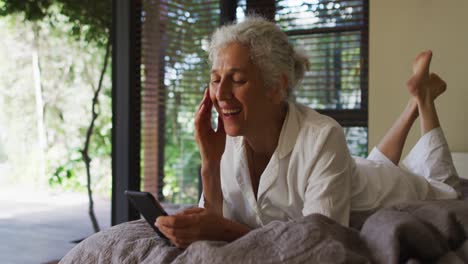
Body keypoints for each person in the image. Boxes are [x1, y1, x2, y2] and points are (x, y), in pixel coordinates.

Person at [155, 16, 460, 248]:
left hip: (394, 189)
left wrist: (223, 230)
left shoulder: (322, 135)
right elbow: (213, 217)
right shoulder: (228, 142)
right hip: (360, 174)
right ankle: (414, 102)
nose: (220, 93)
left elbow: (320, 242)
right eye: (215, 79)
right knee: (375, 162)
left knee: (443, 184)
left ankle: (423, 100)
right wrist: (209, 161)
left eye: (236, 79)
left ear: (277, 87)